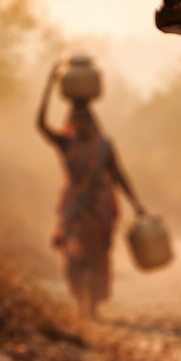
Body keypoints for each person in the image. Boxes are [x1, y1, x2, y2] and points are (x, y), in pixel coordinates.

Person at [36, 62, 145, 317]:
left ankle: (92, 305)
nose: (80, 123)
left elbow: (118, 175)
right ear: (70, 122)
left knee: (97, 255)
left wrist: (136, 204)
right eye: (76, 119)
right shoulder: (65, 143)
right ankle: (80, 299)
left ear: (93, 122)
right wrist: (49, 85)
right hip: (73, 206)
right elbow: (40, 124)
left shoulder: (104, 146)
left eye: (85, 119)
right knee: (74, 254)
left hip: (99, 207)